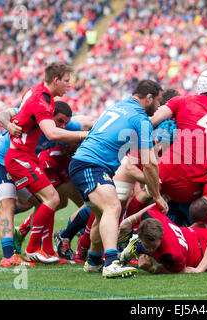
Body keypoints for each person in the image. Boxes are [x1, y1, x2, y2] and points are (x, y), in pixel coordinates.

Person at [69, 79, 168, 278]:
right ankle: (111, 263)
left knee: (102, 214)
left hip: (85, 163)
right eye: (158, 102)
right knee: (113, 208)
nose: (159, 107)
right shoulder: (140, 119)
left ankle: (94, 261)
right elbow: (149, 163)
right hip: (91, 164)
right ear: (148, 99)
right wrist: (157, 195)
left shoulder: (121, 105)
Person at [4, 62, 88, 264]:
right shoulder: (42, 100)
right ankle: (32, 248)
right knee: (51, 199)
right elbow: (51, 133)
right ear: (56, 80)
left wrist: (12, 124)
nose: (69, 85)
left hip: (26, 156)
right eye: (67, 81)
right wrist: (83, 135)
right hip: (19, 157)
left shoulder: (36, 91)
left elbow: (16, 113)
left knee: (50, 200)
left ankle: (48, 250)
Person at [150, 69, 207, 204]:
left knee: (144, 192)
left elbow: (151, 121)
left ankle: (128, 219)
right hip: (191, 189)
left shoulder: (182, 101)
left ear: (199, 85)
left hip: (164, 173)